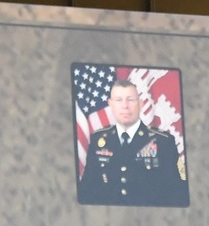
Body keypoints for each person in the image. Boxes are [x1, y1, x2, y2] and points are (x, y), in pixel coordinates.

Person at [78, 79, 188, 207]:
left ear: (140, 104)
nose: (125, 106)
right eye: (119, 100)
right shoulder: (98, 140)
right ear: (111, 105)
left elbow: (178, 193)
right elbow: (87, 191)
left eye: (130, 100)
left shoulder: (164, 142)